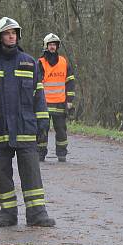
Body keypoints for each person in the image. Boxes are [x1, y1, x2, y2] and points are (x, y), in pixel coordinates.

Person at [0, 17, 55, 227]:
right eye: (7, 33)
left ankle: (37, 213)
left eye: (14, 33)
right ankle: (7, 213)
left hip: (26, 129)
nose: (11, 36)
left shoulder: (29, 62)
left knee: (31, 172)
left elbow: (39, 96)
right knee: (2, 173)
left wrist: (43, 123)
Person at [37, 33, 76, 163]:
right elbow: (35, 83)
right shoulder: (40, 63)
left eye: (54, 44)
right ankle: (40, 154)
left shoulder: (64, 62)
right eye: (50, 44)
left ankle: (62, 154)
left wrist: (69, 101)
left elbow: (70, 82)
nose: (53, 47)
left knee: (61, 130)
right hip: (44, 103)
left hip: (60, 103)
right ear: (46, 46)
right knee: (42, 129)